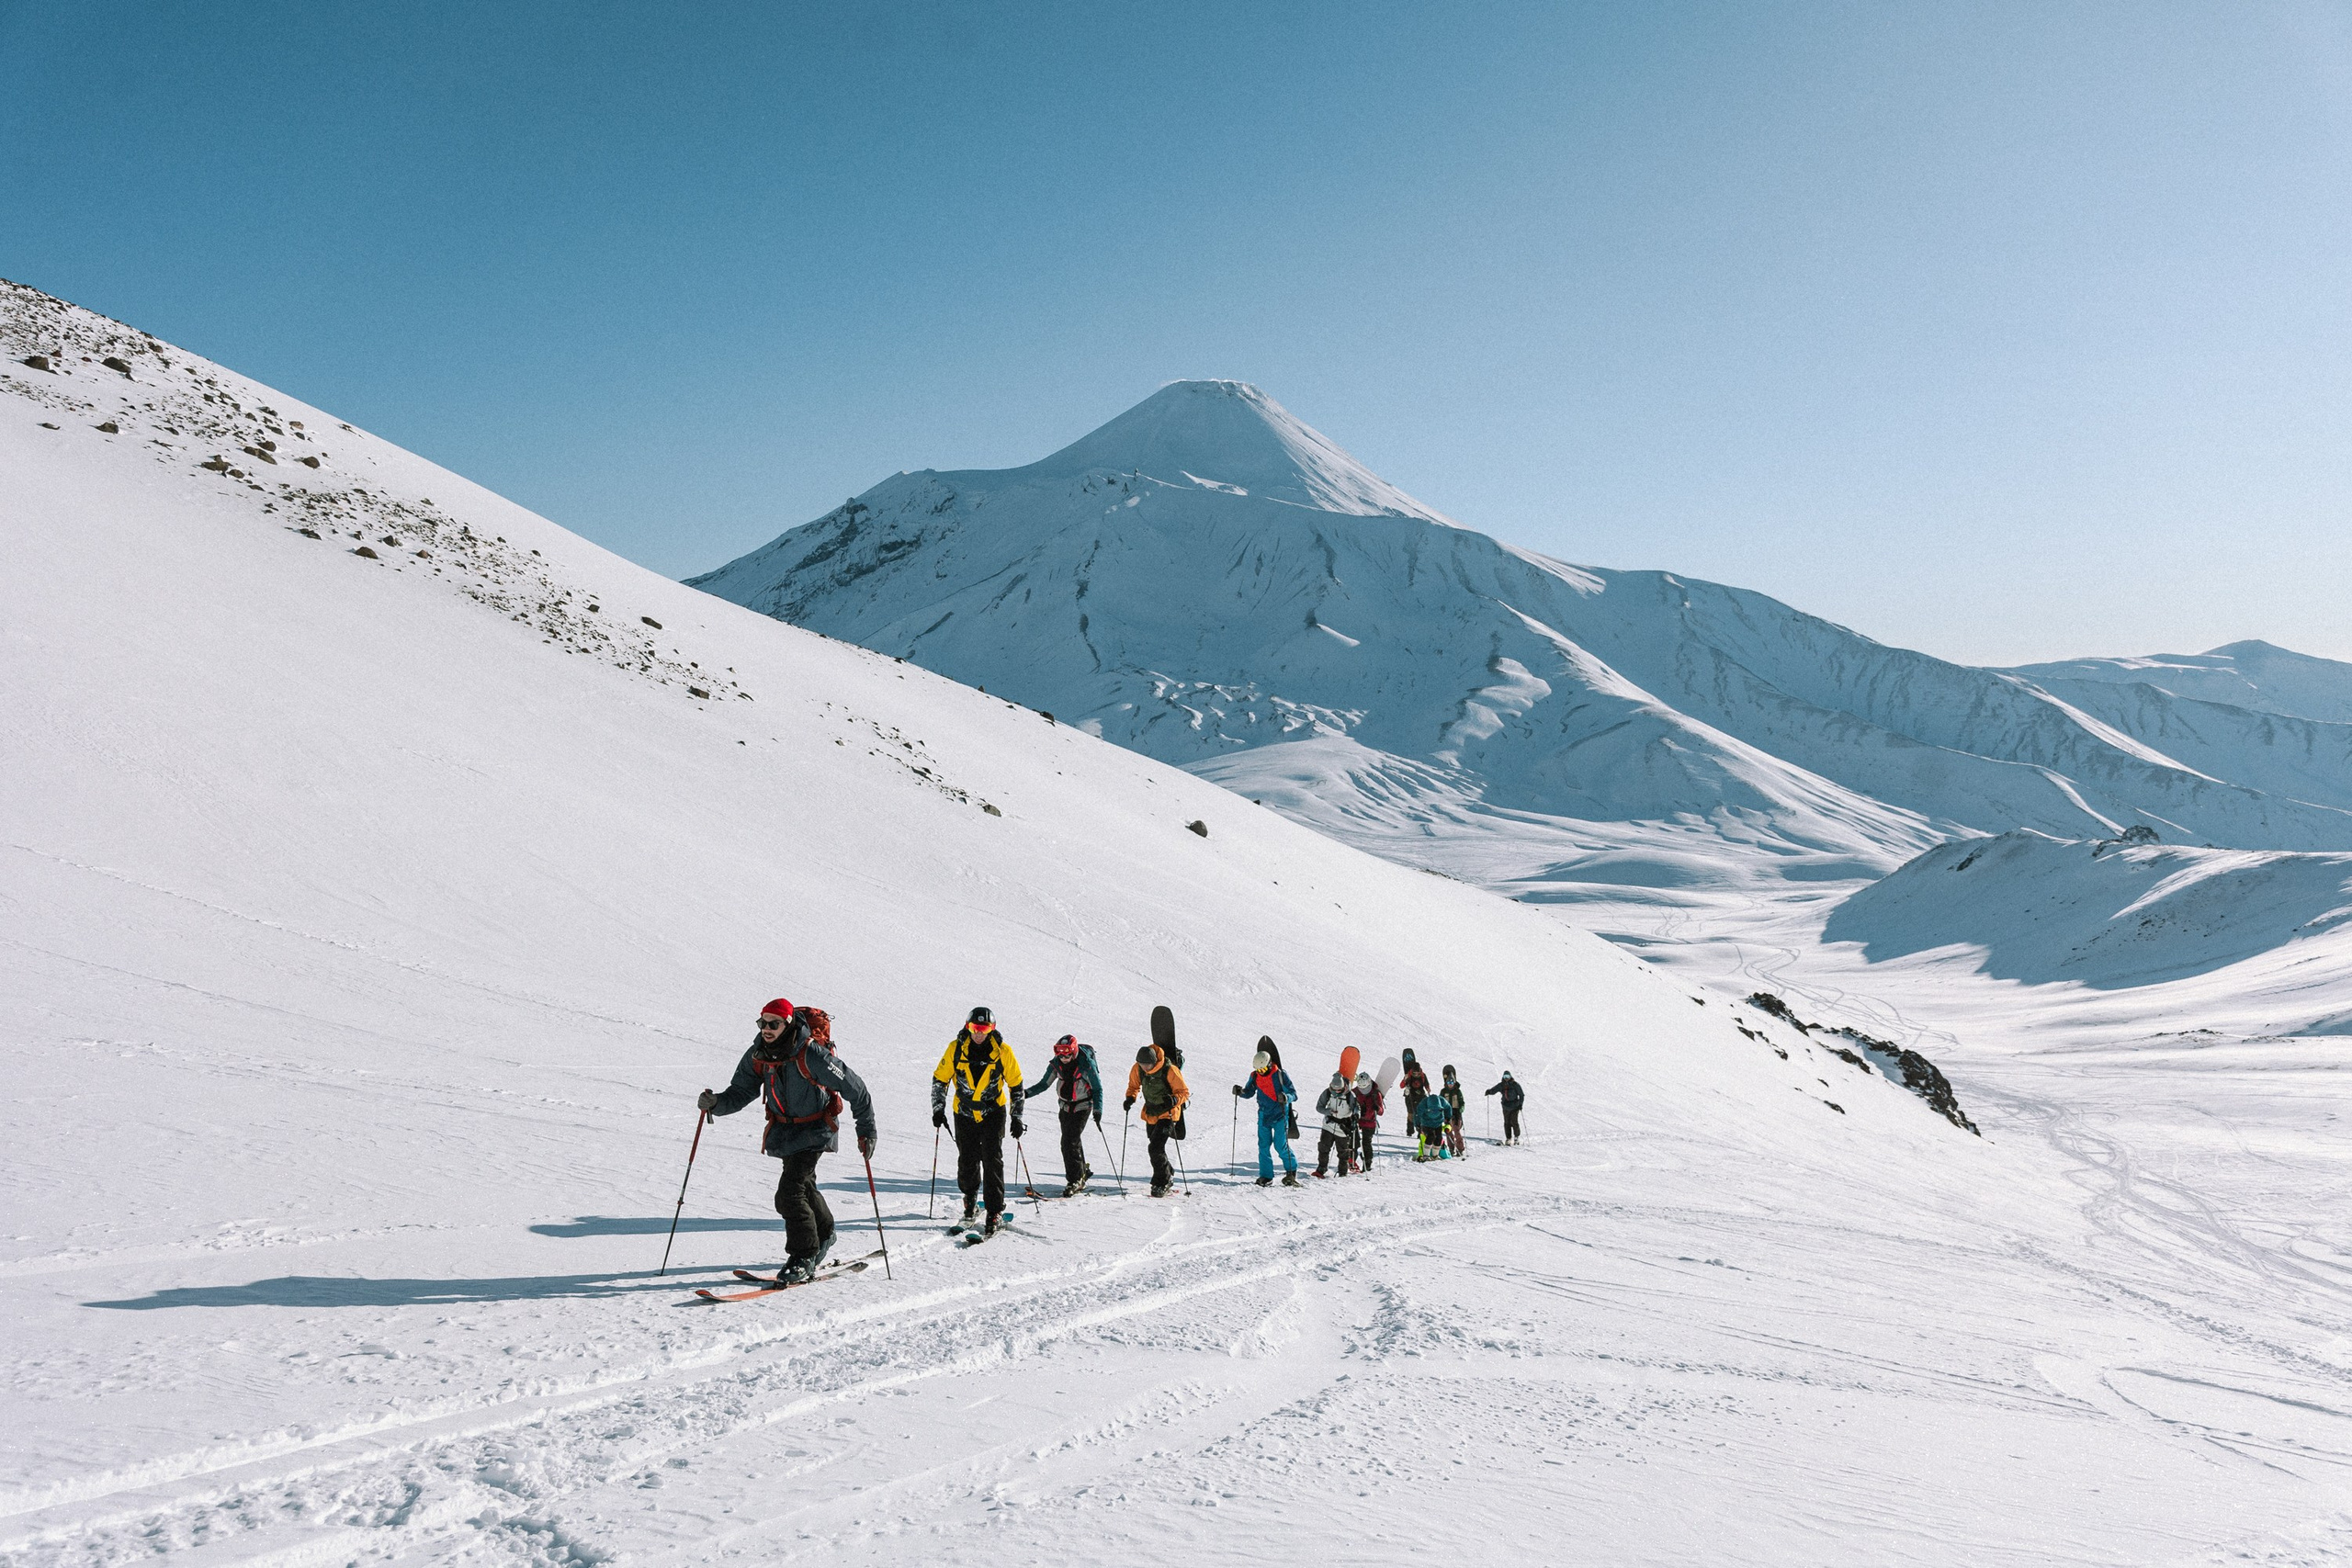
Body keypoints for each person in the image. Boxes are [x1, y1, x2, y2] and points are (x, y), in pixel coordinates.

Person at [698, 998, 877, 1283]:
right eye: (763, 1023)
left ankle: (804, 1255)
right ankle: (825, 1233)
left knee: (789, 1193)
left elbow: (856, 1087)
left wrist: (867, 1129)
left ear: (788, 1023)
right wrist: (716, 1103)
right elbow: (741, 1091)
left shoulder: (812, 1055)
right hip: (786, 1131)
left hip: (817, 1128)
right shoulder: (758, 1053)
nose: (767, 1029)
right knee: (803, 1186)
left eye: (774, 1024)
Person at [931, 1006, 1024, 1235]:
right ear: (968, 1027)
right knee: (967, 1159)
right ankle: (970, 1201)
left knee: (992, 1160)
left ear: (992, 1029)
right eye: (975, 1028)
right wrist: (938, 1108)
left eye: (984, 1029)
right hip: (963, 1113)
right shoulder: (955, 1049)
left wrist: (1016, 1117)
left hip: (993, 1112)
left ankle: (994, 1210)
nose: (979, 1034)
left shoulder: (1003, 1052)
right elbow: (940, 1080)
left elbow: (1016, 1085)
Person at [1024, 1033, 1102, 1196]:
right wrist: (1025, 1093)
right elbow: (1043, 1084)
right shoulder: (1056, 1065)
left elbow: (1097, 1088)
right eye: (1060, 1053)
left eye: (1067, 1053)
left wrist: (1098, 1110)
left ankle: (1075, 1180)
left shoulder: (1086, 1065)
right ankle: (1081, 1172)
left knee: (1069, 1141)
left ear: (1073, 1052)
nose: (1064, 1057)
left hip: (1083, 1105)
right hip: (1065, 1106)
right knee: (1072, 1139)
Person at [1123, 1043, 1190, 1196]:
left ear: (1154, 1061)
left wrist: (1173, 1100)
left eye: (1147, 1065)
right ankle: (1167, 1171)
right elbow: (1134, 1086)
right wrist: (1130, 1098)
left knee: (1155, 1147)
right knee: (1155, 1146)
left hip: (1169, 1113)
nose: (1145, 1068)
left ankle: (1162, 1181)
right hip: (1151, 1113)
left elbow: (1184, 1092)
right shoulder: (1138, 1068)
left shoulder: (1169, 1069)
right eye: (1142, 1064)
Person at [1232, 1046, 1300, 1187]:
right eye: (1258, 1070)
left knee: (1280, 1145)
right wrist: (1241, 1092)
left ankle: (1291, 1170)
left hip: (1280, 1114)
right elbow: (1249, 1092)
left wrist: (1286, 1097)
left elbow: (1294, 1094)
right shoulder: (1255, 1076)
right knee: (1263, 1146)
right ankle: (1266, 1176)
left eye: (1263, 1070)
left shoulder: (1281, 1075)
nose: (1261, 1073)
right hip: (1264, 1115)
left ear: (1269, 1064)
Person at [1313, 1070, 1357, 1178]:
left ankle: (1342, 1172)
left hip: (1343, 1128)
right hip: (1328, 1125)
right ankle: (1321, 1169)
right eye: (1334, 1089)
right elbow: (1319, 1107)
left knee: (1343, 1152)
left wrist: (1356, 1115)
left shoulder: (1350, 1095)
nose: (1337, 1092)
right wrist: (1328, 1111)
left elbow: (1356, 1108)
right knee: (1323, 1148)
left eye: (1339, 1090)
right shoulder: (1327, 1093)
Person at [1484, 1070, 1525, 1144]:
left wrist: (1520, 1104)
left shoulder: (1515, 1085)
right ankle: (1508, 1138)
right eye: (1505, 1077)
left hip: (1515, 1106)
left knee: (1514, 1121)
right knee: (1507, 1122)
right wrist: (1489, 1091)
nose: (1506, 1078)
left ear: (1510, 1076)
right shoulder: (1502, 1085)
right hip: (1505, 1106)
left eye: (1508, 1076)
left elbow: (1521, 1095)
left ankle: (1516, 1137)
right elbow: (1495, 1089)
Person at [1352, 1069, 1383, 1171]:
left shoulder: (1375, 1093)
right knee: (1354, 1141)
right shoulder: (1355, 1092)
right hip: (1356, 1120)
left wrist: (1377, 1108)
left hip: (1370, 1122)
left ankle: (1367, 1163)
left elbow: (1381, 1112)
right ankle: (1351, 1161)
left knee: (1366, 1143)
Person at [1411, 1085, 1451, 1160]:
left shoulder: (1442, 1101)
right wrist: (1418, 1125)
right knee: (1430, 1136)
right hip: (1426, 1123)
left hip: (1438, 1123)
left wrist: (1448, 1118)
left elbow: (1448, 1107)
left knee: (1439, 1138)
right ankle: (1426, 1156)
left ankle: (1435, 1155)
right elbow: (1417, 1114)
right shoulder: (1423, 1104)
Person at [1440, 1065, 1469, 1159]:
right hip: (1447, 1114)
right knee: (1449, 1132)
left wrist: (1461, 1109)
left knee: (1457, 1131)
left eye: (1452, 1081)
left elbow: (1462, 1102)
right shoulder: (1444, 1091)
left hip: (1456, 1113)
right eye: (1449, 1082)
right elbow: (1440, 1102)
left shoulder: (1458, 1091)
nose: (1450, 1083)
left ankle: (1460, 1149)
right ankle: (1451, 1149)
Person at [1399, 1048, 1430, 1124]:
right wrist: (1404, 1080)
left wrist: (1428, 1089)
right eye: (1414, 1073)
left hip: (1420, 1095)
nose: (1416, 1075)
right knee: (1411, 1113)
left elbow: (1426, 1084)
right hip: (1410, 1095)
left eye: (1417, 1073)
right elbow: (1401, 1086)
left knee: (1423, 1111)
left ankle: (1421, 1128)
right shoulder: (1408, 1076)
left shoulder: (1423, 1076)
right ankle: (1410, 1130)